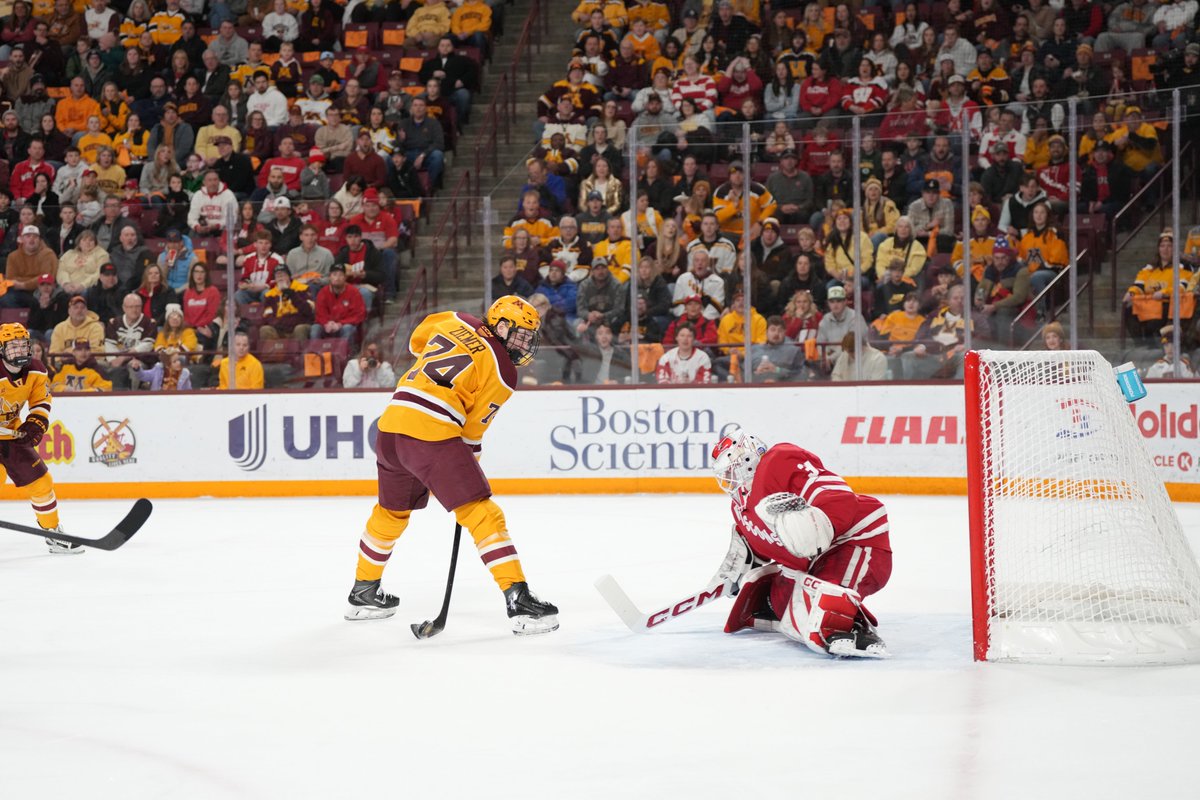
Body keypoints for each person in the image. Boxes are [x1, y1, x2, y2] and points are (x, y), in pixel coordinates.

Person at [344, 295, 559, 635]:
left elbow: (418, 341)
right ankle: (519, 600)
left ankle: (363, 592)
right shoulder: (503, 371)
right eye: (519, 335)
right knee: (481, 512)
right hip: (430, 431)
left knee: (391, 512)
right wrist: (469, 461)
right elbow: (472, 431)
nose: (523, 344)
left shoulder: (455, 319)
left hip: (391, 425)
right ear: (501, 327)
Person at [709, 426, 891, 658]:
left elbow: (836, 496)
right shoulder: (740, 508)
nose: (728, 479)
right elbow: (759, 546)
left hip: (857, 537)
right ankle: (796, 603)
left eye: (731, 470)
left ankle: (852, 626)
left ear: (749, 458)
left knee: (825, 603)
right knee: (784, 598)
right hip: (816, 558)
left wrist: (815, 523)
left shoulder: (779, 461)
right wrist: (740, 568)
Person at [0, 323, 78, 553]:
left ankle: (52, 533)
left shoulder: (36, 370)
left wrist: (36, 423)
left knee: (42, 482)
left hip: (9, 435)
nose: (19, 351)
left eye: (23, 345)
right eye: (12, 347)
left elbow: (41, 402)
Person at [312, 263, 366, 341]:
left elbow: (359, 314)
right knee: (315, 328)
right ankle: (315, 352)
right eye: (334, 274)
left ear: (345, 278)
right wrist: (327, 323)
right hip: (328, 325)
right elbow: (319, 313)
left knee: (348, 328)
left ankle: (346, 353)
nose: (337, 278)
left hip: (344, 326)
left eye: (341, 275)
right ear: (329, 277)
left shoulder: (354, 292)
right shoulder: (323, 292)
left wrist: (340, 323)